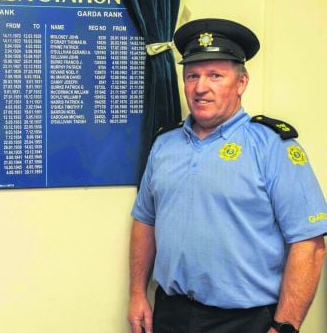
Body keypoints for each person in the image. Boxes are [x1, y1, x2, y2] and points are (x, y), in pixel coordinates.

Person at [127, 18, 327, 333]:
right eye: (192, 75)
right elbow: (145, 220)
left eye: (215, 76)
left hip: (243, 321)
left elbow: (309, 242)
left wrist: (286, 326)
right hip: (170, 315)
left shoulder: (273, 146)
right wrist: (137, 292)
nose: (200, 87)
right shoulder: (164, 144)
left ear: (242, 82)